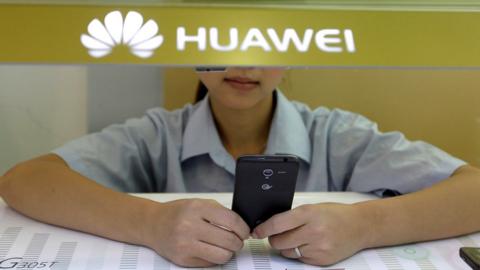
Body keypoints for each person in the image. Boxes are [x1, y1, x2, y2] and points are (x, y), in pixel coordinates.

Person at [1, 67, 480, 267]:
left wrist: (365, 224)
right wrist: (148, 221)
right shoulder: (156, 134)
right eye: (221, 33)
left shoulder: (337, 134)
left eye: (262, 35)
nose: (243, 60)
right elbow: (23, 180)